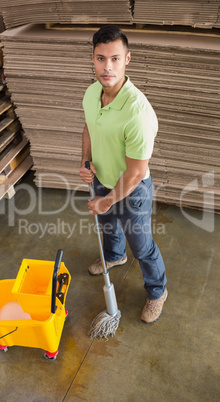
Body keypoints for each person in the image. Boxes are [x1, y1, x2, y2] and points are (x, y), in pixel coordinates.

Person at [79, 25, 167, 324]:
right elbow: (90, 126)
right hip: (101, 179)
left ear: (127, 59)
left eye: (115, 59)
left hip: (133, 190)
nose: (108, 67)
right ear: (92, 58)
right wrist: (86, 160)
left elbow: (136, 172)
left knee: (142, 246)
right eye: (101, 58)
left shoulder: (137, 112)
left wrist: (106, 202)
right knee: (108, 229)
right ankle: (115, 256)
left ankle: (158, 291)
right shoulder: (92, 93)